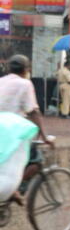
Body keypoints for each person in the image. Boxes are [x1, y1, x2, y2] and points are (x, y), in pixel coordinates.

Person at [0, 55, 54, 204]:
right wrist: (44, 136)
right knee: (36, 162)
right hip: (12, 132)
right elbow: (33, 111)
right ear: (26, 70)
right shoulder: (25, 84)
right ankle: (13, 189)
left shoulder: (1, 81)